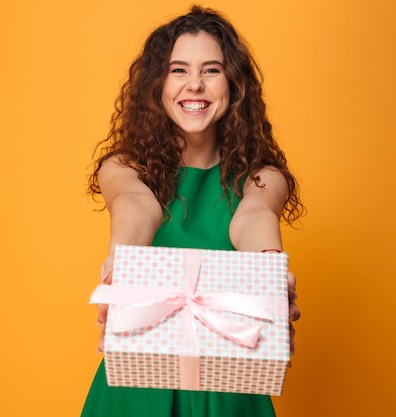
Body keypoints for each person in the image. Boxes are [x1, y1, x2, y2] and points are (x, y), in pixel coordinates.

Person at [81, 5, 304, 417]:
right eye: (179, 70)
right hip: (136, 391)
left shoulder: (263, 176)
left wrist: (272, 271)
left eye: (212, 70)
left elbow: (253, 217)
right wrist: (119, 264)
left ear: (234, 85)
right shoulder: (123, 168)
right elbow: (136, 203)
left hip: (230, 390)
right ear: (157, 84)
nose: (195, 85)